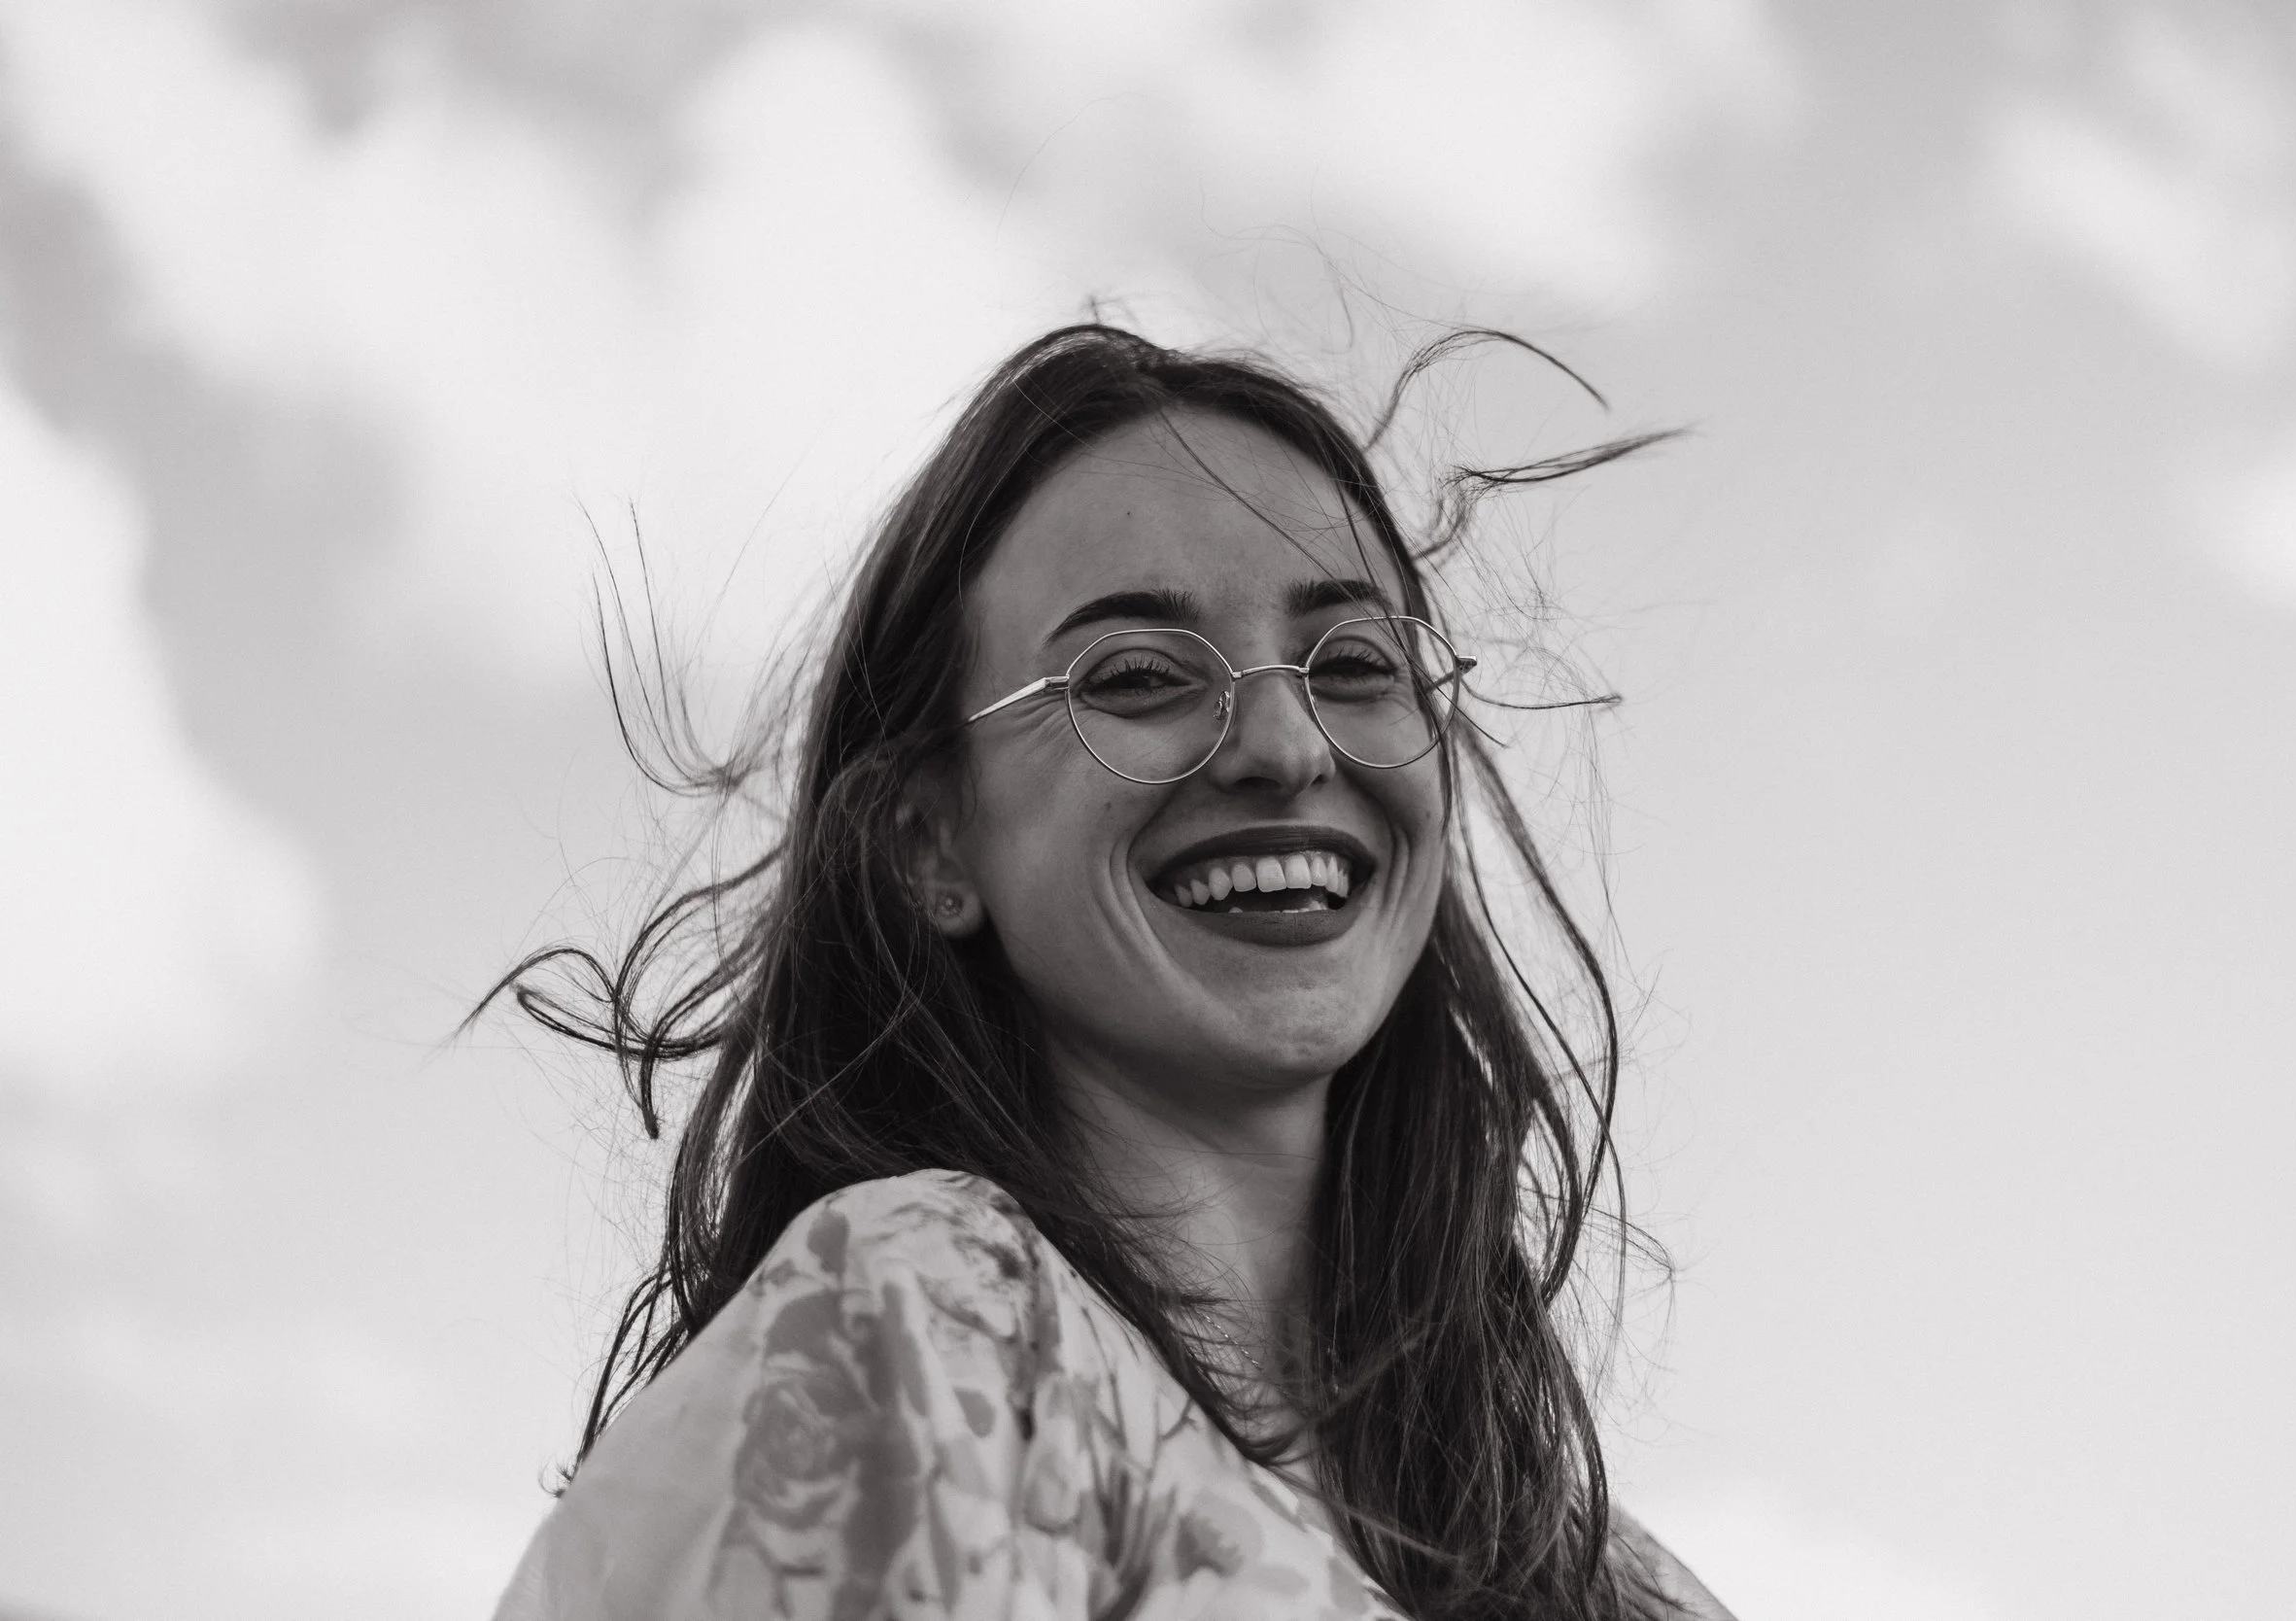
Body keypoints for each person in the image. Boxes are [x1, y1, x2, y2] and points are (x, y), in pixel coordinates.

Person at [485, 324, 1731, 1620]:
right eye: (1136, 679)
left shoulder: (1600, 1574)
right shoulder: (924, 1322)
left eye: (1356, 663)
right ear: (931, 840)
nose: (1283, 744)